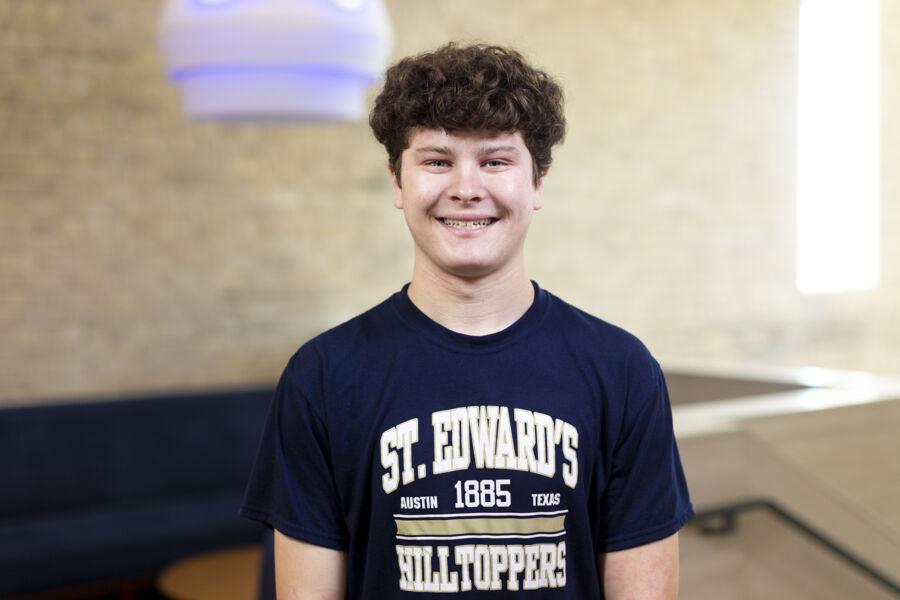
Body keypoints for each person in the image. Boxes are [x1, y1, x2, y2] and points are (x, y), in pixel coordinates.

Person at [240, 42, 693, 599]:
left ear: (538, 181)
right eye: (436, 160)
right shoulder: (323, 375)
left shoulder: (622, 371)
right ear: (397, 182)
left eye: (496, 161)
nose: (465, 188)